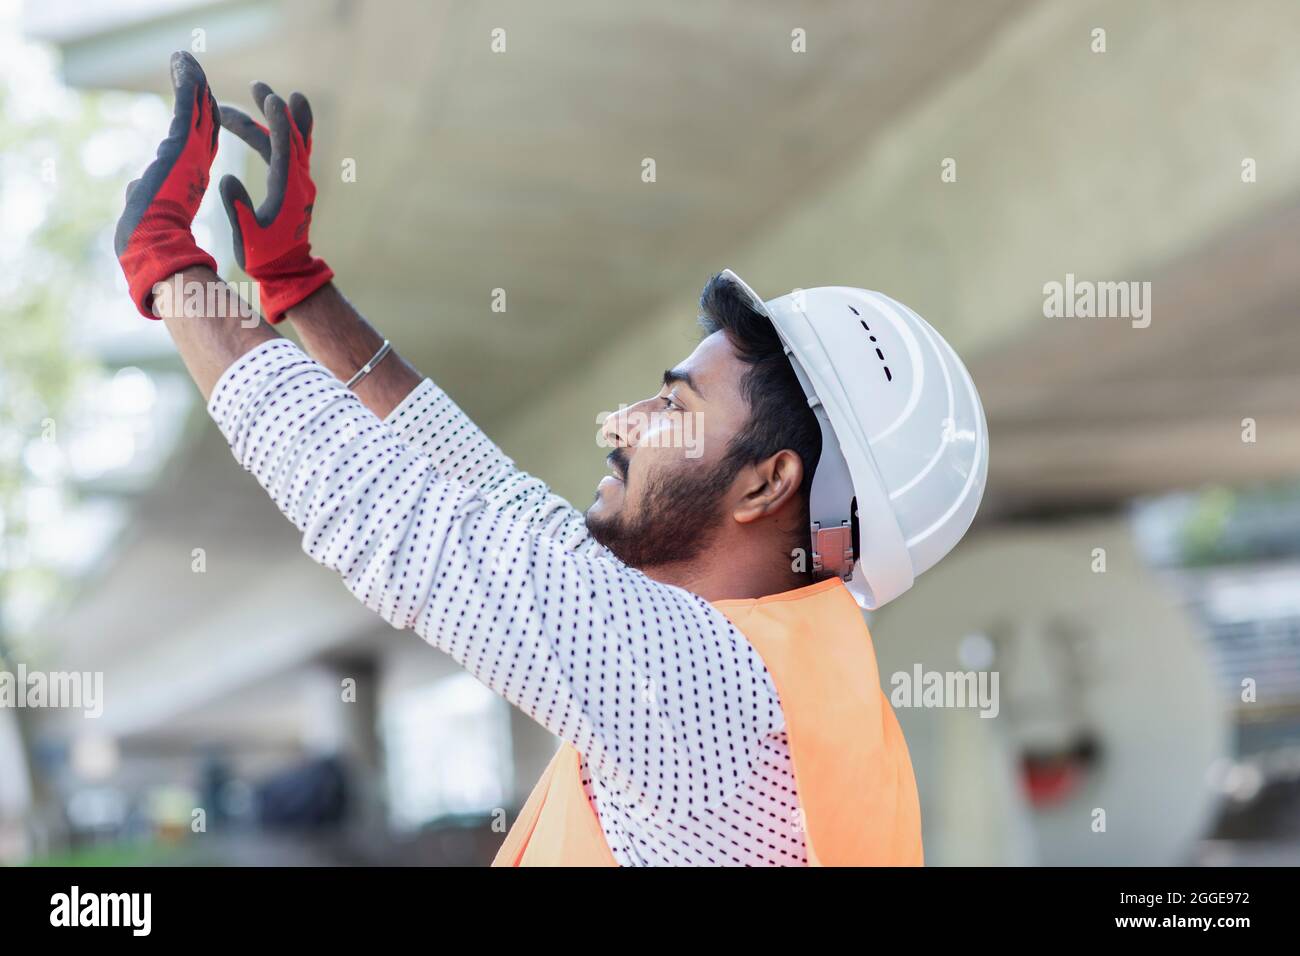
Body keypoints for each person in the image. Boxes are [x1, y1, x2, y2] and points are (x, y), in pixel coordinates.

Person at [114, 53, 988, 866]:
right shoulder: (783, 680)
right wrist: (302, 290)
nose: (623, 424)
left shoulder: (713, 693)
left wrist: (169, 263)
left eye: (674, 406)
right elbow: (486, 494)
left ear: (769, 482)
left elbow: (399, 520)